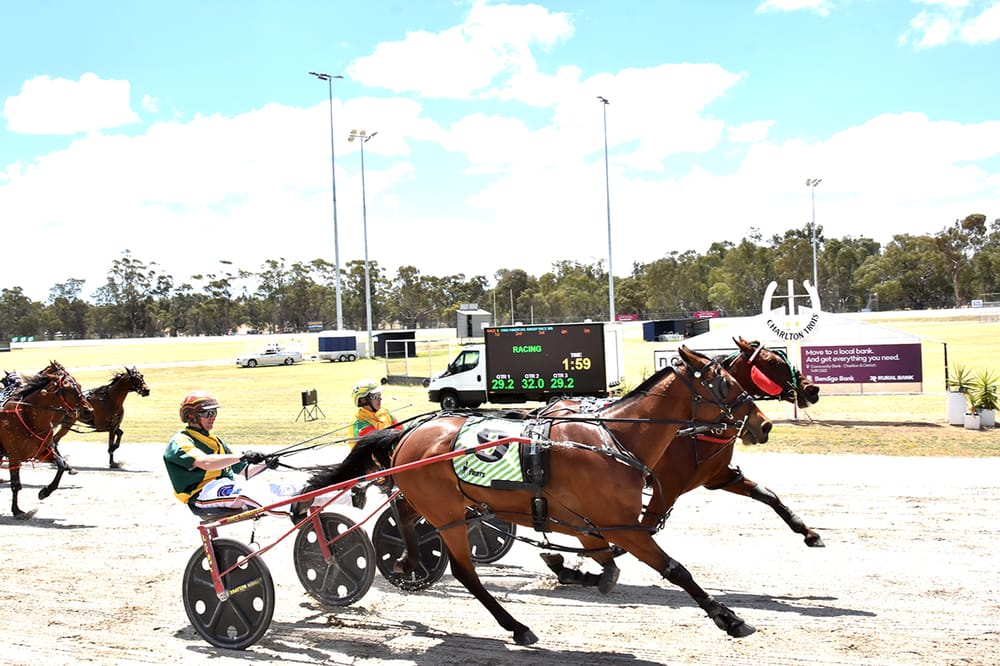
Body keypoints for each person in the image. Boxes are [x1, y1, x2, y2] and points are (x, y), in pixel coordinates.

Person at [164, 390, 337, 518]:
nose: (213, 416)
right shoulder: (180, 440)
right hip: (202, 495)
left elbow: (244, 471)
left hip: (224, 488)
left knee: (277, 487)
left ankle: (344, 497)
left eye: (214, 412)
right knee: (248, 492)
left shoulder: (215, 440)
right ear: (191, 416)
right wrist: (242, 456)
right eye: (207, 413)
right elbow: (204, 462)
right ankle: (292, 510)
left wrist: (266, 464)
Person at [349, 378, 400, 508]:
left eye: (380, 395)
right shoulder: (360, 424)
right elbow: (375, 452)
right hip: (376, 467)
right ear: (363, 400)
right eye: (376, 396)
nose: (380, 399)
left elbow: (401, 433)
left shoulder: (385, 413)